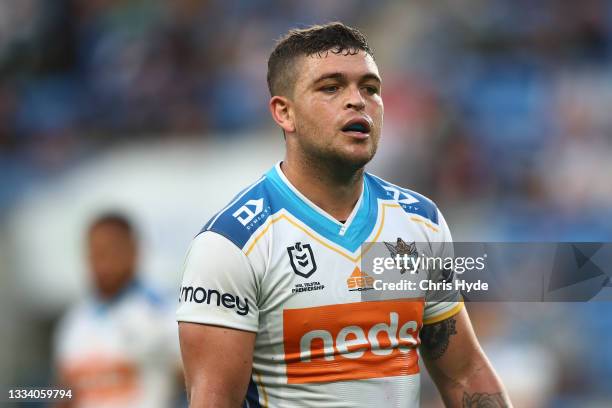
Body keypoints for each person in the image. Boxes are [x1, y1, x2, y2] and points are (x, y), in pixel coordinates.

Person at [177, 22, 512, 407]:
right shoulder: (233, 244)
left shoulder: (420, 222)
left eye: (370, 88)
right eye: (331, 87)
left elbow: (464, 373)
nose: (357, 101)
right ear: (284, 113)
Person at [53, 213, 183, 408]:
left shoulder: (162, 313)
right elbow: (64, 393)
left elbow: (196, 382)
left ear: (134, 252)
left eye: (109, 251)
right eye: (95, 253)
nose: (101, 262)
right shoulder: (74, 322)